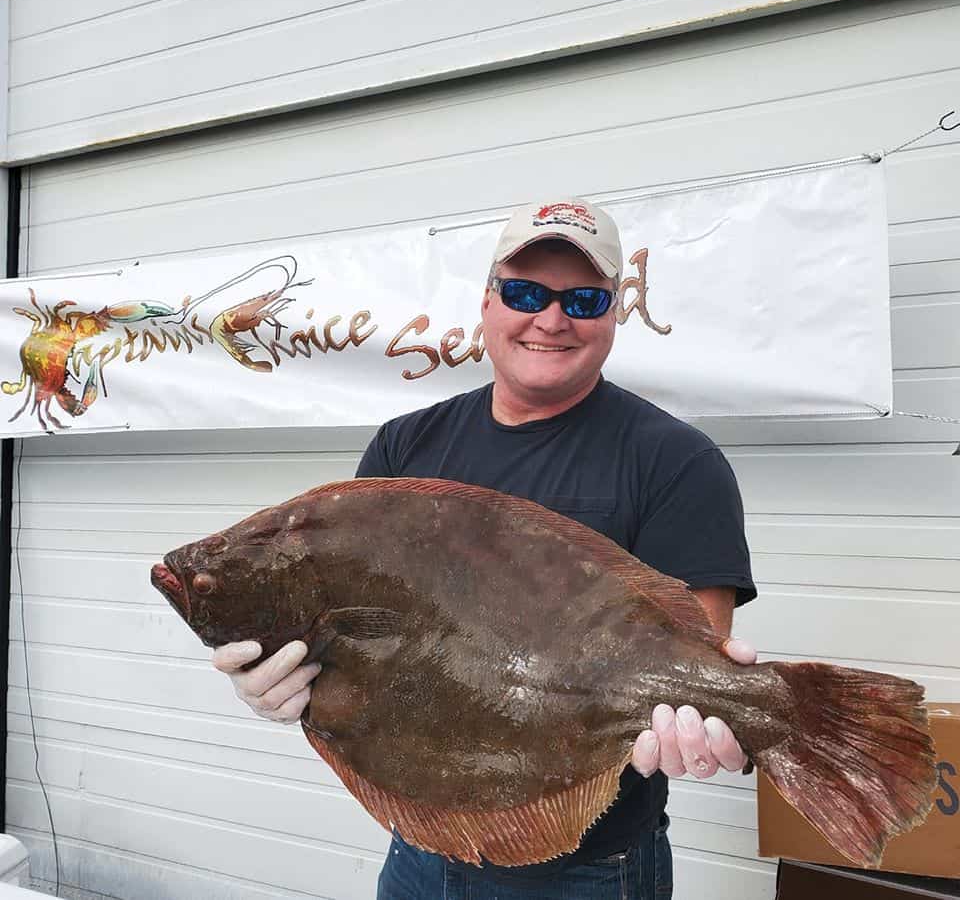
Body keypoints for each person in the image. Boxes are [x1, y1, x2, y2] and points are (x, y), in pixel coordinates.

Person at [213, 198, 758, 899]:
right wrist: (284, 680)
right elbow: (361, 646)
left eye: (583, 300)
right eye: (526, 293)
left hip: (592, 873)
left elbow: (695, 664)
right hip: (419, 856)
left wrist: (712, 714)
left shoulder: (677, 462)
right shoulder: (403, 448)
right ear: (488, 302)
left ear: (614, 314)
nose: (551, 319)